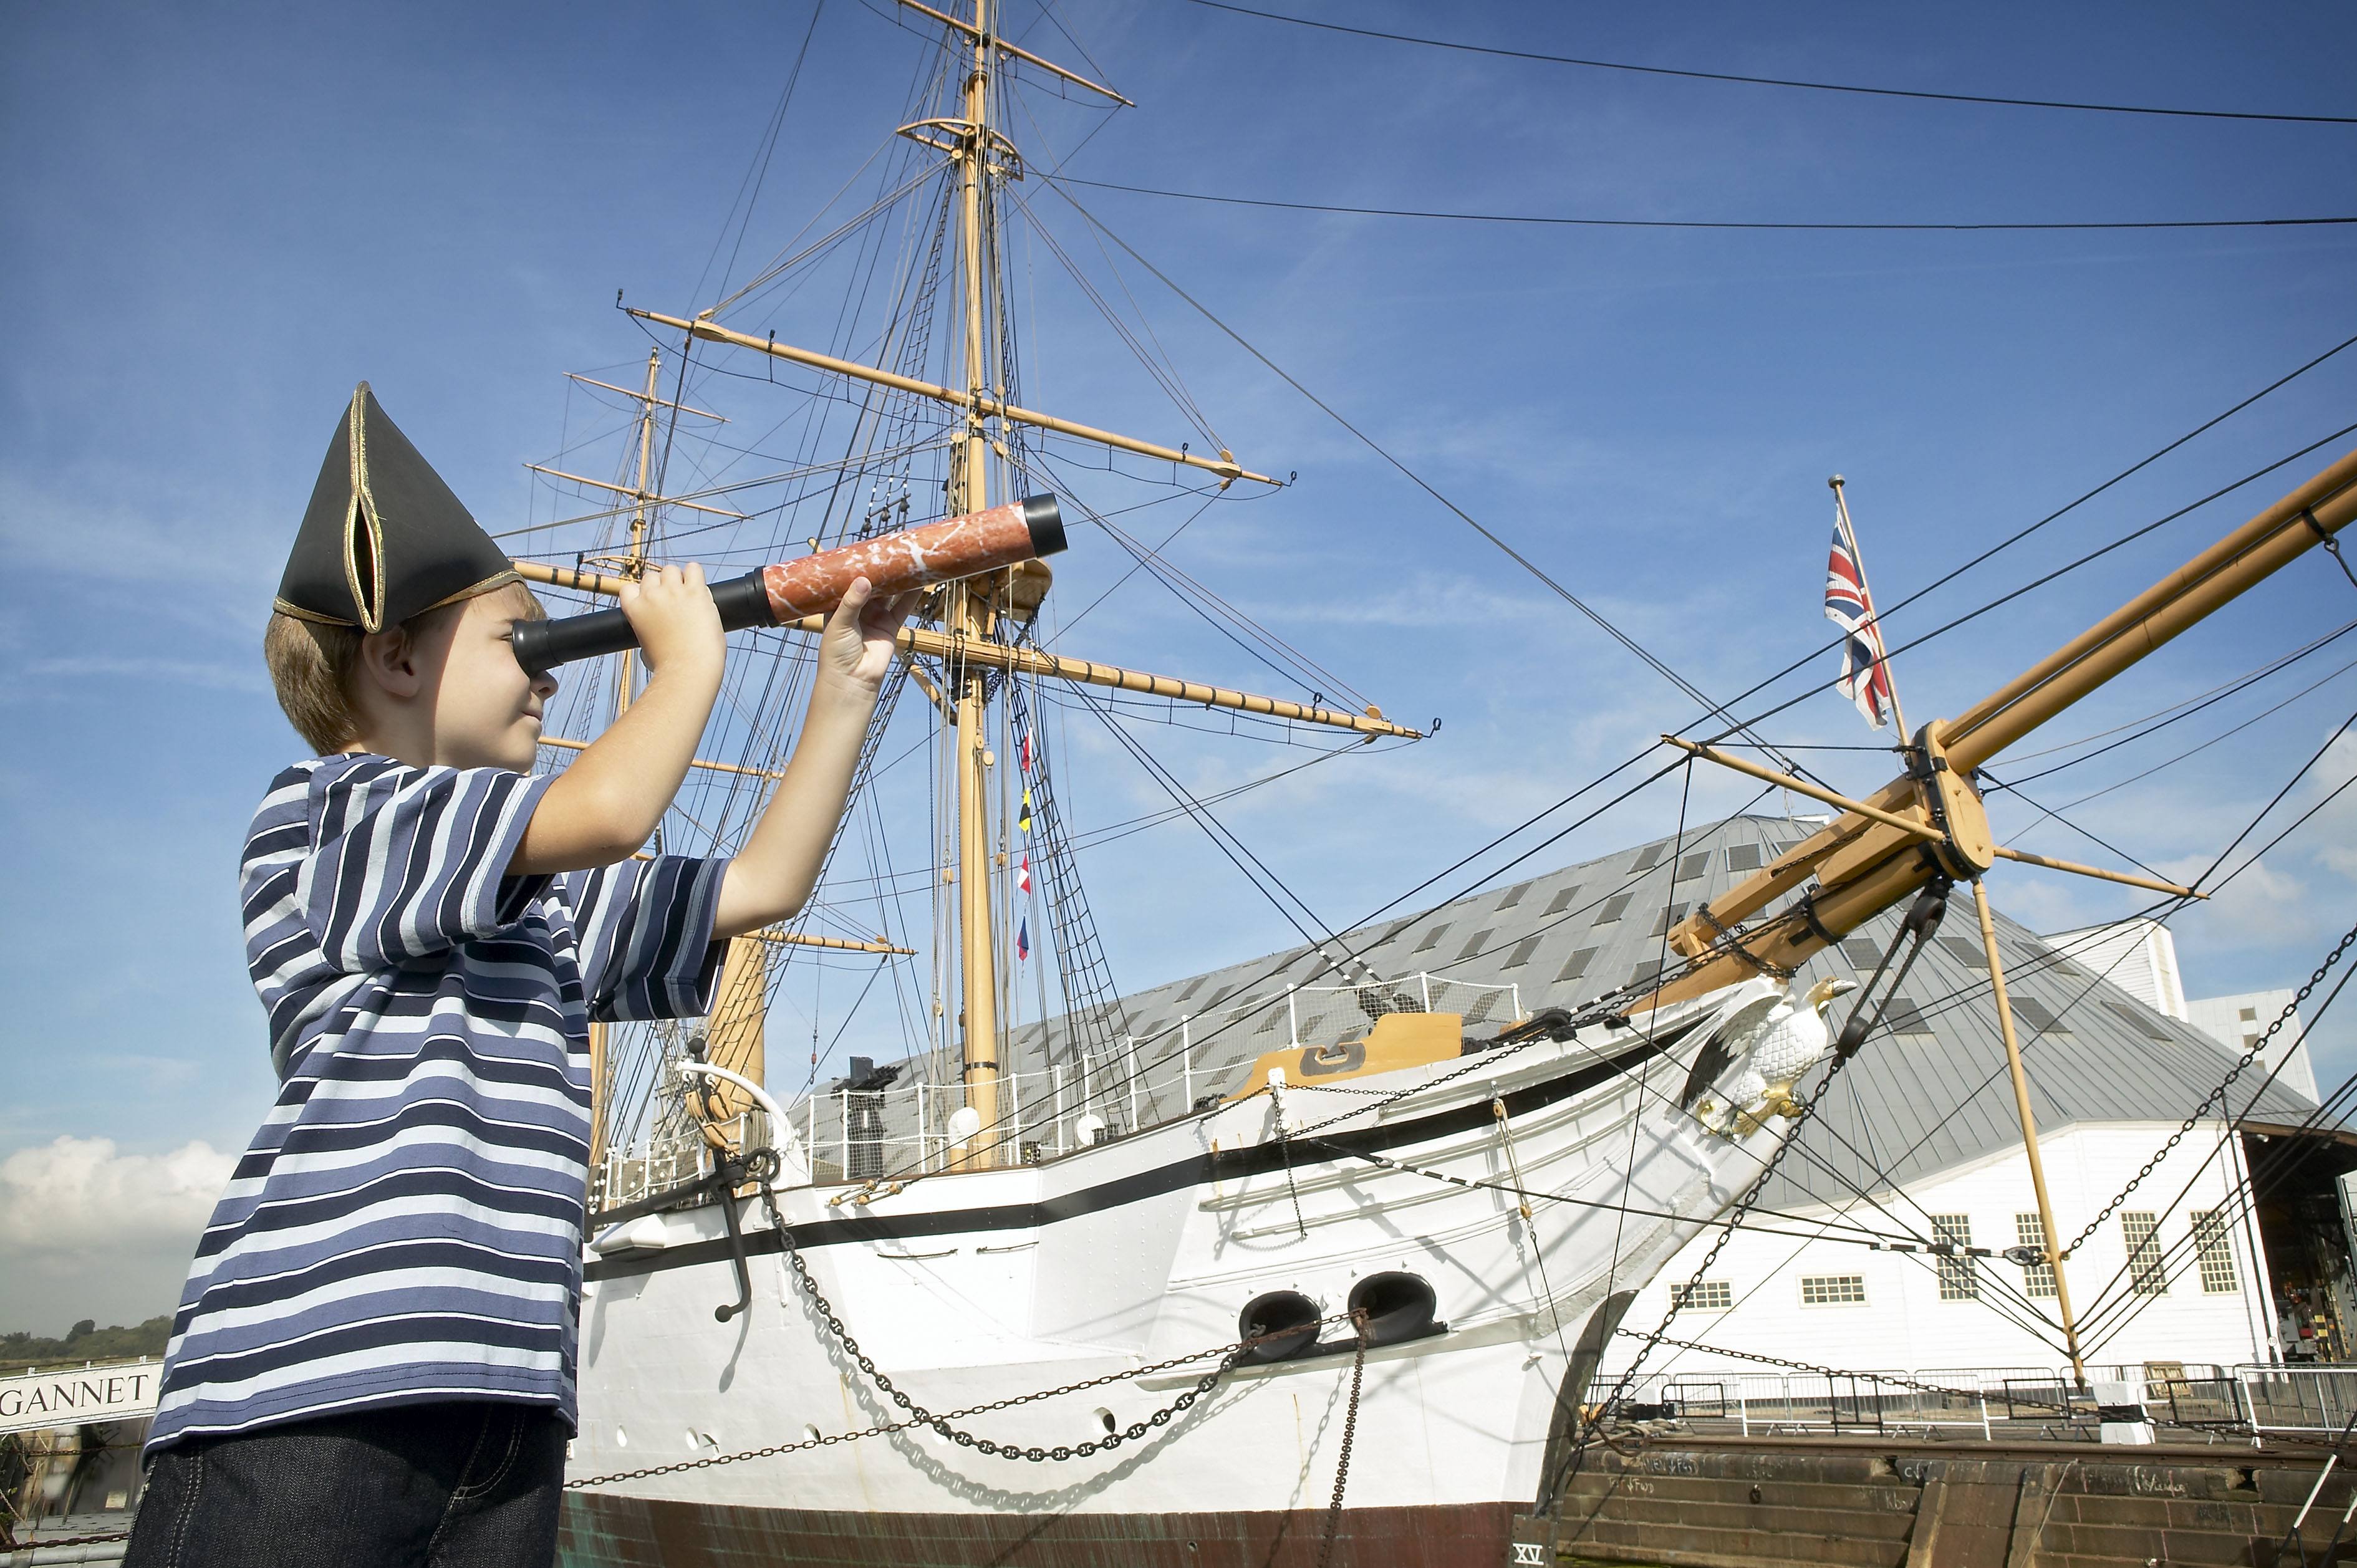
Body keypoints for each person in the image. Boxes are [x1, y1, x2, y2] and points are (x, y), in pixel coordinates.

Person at [125, 383, 910, 1567]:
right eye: (525, 647)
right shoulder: (332, 817)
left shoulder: (534, 916)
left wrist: (845, 685)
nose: (550, 680)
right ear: (392, 657)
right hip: (315, 1391)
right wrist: (682, 664)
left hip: (505, 1401)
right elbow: (606, 808)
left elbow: (759, 887)